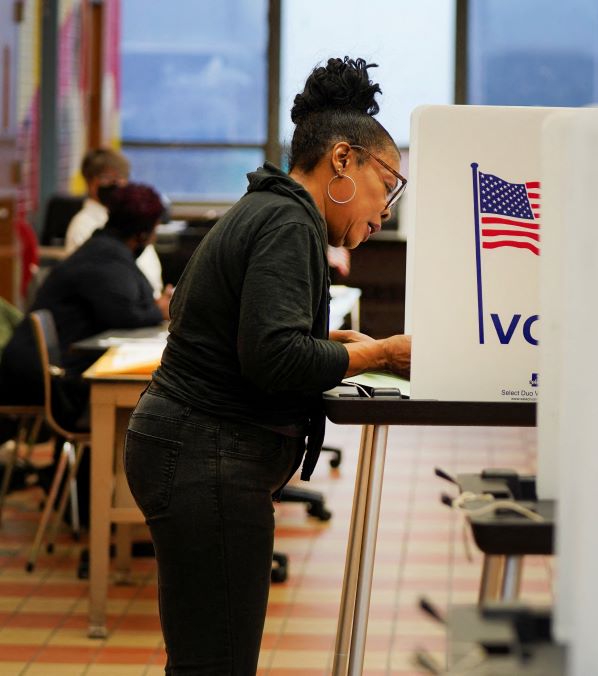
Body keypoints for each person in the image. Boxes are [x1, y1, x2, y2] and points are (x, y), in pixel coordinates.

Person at [124, 56, 411, 674]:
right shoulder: (288, 221)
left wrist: (338, 341)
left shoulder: (273, 209)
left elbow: (252, 334)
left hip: (192, 449)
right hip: (206, 454)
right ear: (342, 160)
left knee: (205, 657)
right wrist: (381, 352)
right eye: (386, 183)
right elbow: (273, 356)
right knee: (217, 663)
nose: (385, 207)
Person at [0, 183, 170, 430]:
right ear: (143, 233)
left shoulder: (106, 249)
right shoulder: (103, 258)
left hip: (48, 369)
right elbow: (125, 315)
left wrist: (155, 306)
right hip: (45, 380)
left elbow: (135, 299)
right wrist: (161, 309)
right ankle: (101, 466)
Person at [65, 148, 165, 298]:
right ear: (90, 182)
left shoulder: (126, 218)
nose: (117, 183)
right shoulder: (83, 224)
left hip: (144, 302)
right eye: (108, 177)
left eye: (122, 177)